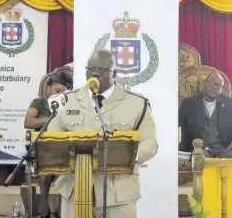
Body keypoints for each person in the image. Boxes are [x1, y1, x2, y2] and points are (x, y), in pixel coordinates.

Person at [47, 49, 158, 218]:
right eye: (90, 68)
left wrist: (127, 156)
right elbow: (52, 140)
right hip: (74, 189)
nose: (95, 72)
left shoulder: (137, 103)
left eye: (103, 69)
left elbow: (150, 143)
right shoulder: (65, 101)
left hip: (118, 193)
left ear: (115, 72)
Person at [24, 71, 73, 218]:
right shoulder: (39, 103)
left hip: (65, 146)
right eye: (57, 90)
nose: (60, 94)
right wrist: (52, 118)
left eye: (64, 92)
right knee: (46, 171)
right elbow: (28, 122)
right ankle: (44, 205)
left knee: (65, 172)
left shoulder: (71, 104)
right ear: (48, 88)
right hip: (44, 146)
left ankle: (60, 207)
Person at [179, 72, 232, 158]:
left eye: (218, 85)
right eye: (210, 83)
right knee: (198, 157)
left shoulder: (229, 103)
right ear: (204, 84)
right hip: (199, 150)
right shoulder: (189, 103)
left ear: (222, 88)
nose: (214, 86)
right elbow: (176, 125)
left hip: (223, 149)